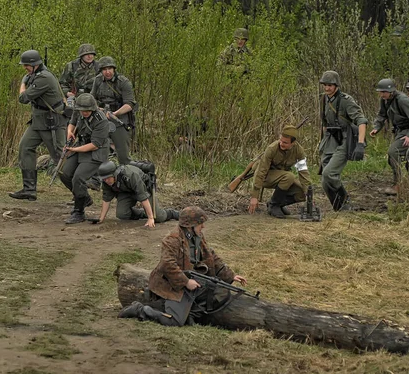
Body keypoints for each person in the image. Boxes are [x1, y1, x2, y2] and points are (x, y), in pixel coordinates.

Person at [118, 206, 247, 326]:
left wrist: (231, 275)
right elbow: (167, 264)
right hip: (171, 283)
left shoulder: (197, 237)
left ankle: (189, 313)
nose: (203, 226)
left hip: (190, 278)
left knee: (218, 291)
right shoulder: (172, 239)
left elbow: (211, 256)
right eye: (200, 223)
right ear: (190, 225)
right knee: (175, 321)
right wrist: (186, 282)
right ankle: (141, 310)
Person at [9, 49, 66, 201]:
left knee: (59, 156)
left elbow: (23, 98)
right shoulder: (36, 75)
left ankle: (80, 190)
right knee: (25, 147)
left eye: (27, 65)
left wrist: (23, 82)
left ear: (35, 65)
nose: (25, 68)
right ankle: (29, 189)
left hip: (51, 123)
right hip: (38, 121)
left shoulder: (44, 78)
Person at [318, 70, 368, 211]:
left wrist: (360, 143)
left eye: (330, 85)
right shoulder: (323, 99)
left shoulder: (346, 101)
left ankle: (344, 199)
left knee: (329, 174)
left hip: (345, 138)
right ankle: (338, 207)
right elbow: (325, 123)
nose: (327, 88)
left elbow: (361, 121)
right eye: (325, 85)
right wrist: (323, 143)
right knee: (324, 180)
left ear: (336, 85)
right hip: (330, 139)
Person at [59, 93, 110, 224]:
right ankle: (84, 197)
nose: (85, 113)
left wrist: (73, 150)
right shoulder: (78, 111)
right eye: (82, 110)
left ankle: (79, 211)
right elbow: (72, 123)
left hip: (95, 152)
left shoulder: (101, 120)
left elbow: (95, 145)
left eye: (87, 110)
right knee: (65, 174)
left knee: (78, 177)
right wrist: (69, 132)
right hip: (81, 146)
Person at [248, 125, 311, 218]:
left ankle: (276, 204)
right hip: (267, 177)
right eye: (281, 140)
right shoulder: (272, 149)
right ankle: (274, 205)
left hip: (283, 178)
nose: (281, 143)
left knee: (301, 193)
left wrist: (309, 193)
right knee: (289, 176)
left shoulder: (299, 151)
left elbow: (303, 172)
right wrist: (254, 196)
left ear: (293, 143)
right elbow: (261, 171)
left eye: (285, 142)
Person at [94, 161, 179, 227]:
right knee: (122, 214)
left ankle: (172, 213)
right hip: (126, 192)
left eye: (108, 178)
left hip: (144, 189)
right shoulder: (106, 182)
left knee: (159, 217)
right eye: (104, 179)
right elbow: (106, 199)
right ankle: (143, 213)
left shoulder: (130, 175)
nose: (106, 181)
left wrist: (151, 218)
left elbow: (143, 196)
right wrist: (101, 218)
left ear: (114, 174)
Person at [369, 79, 409, 195]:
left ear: (390, 91)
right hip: (399, 132)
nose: (381, 94)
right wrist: (377, 127)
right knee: (398, 159)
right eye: (380, 92)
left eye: (383, 92)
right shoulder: (385, 100)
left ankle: (398, 185)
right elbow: (382, 115)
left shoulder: (403, 100)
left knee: (393, 152)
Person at [91, 56, 137, 165]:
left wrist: (114, 114)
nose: (107, 72)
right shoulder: (97, 80)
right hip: (101, 117)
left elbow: (130, 104)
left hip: (119, 119)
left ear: (114, 69)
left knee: (123, 156)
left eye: (110, 69)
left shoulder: (123, 82)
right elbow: (91, 99)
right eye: (104, 69)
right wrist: (99, 109)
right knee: (97, 151)